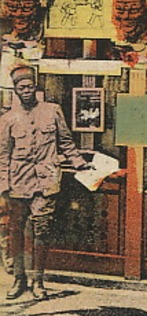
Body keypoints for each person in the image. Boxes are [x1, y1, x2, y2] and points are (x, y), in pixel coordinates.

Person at [0, 63, 93, 301]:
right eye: (22, 87)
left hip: (46, 182)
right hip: (18, 183)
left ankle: (38, 280)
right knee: (16, 232)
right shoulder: (8, 119)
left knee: (42, 231)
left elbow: (66, 142)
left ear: (36, 87)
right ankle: (19, 279)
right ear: (16, 90)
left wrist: (79, 162)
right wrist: (3, 186)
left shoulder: (52, 111)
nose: (27, 91)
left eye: (30, 86)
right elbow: (3, 156)